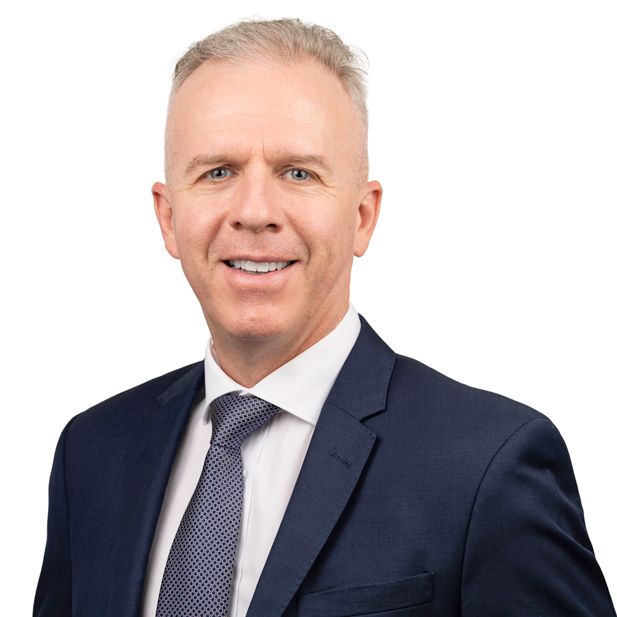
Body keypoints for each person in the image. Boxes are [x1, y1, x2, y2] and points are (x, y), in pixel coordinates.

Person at [34, 18, 616, 617]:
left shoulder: (489, 464)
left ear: (363, 217)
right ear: (168, 217)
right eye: (218, 172)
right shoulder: (93, 453)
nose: (254, 211)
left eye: (298, 173)